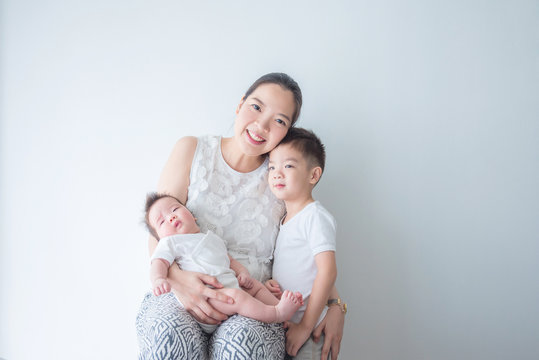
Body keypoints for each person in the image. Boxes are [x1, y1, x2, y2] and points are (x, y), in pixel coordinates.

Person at [136, 72, 345, 360]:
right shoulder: (192, 150)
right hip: (180, 288)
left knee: (244, 346)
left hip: (252, 302)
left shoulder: (280, 176)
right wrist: (180, 281)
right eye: (256, 107)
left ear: (288, 131)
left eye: (280, 120)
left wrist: (335, 305)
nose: (261, 125)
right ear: (240, 104)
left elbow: (310, 241)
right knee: (168, 334)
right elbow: (156, 231)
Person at [144, 192, 303, 331]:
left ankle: (281, 310)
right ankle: (276, 314)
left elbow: (230, 260)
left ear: (192, 215)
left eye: (174, 209)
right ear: (159, 238)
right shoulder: (170, 243)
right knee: (238, 297)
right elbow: (158, 263)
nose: (171, 217)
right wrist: (158, 279)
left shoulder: (212, 238)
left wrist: (243, 273)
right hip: (208, 299)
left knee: (255, 286)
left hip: (228, 287)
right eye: (162, 221)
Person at [265, 127, 346, 359]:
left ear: (313, 175)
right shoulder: (284, 219)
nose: (277, 173)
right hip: (290, 323)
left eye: (288, 166)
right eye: (272, 166)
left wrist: (305, 327)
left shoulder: (315, 216)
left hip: (311, 329)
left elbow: (328, 271)